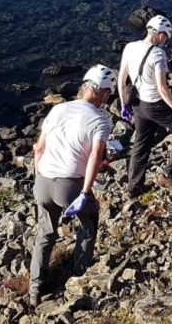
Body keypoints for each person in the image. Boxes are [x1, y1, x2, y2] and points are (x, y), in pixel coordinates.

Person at [27, 64, 114, 306]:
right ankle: (78, 275)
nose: (108, 98)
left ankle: (35, 289)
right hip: (70, 186)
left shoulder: (59, 109)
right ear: (101, 92)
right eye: (108, 93)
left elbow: (39, 148)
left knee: (45, 234)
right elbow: (95, 156)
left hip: (43, 181)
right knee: (88, 223)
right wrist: (85, 192)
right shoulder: (100, 120)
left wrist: (38, 177)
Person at [118, 15, 172, 196]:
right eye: (166, 36)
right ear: (160, 34)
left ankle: (133, 187)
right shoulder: (158, 54)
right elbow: (162, 88)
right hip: (155, 105)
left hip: (137, 104)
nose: (165, 40)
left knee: (141, 144)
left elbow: (122, 79)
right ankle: (170, 175)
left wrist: (124, 104)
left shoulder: (130, 47)